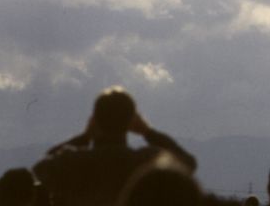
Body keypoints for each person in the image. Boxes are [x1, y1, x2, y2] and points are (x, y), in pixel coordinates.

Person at [33, 86, 196, 206]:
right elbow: (187, 163)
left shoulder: (72, 163)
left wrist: (84, 137)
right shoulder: (145, 162)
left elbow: (41, 168)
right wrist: (147, 131)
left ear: (95, 121)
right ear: (131, 122)